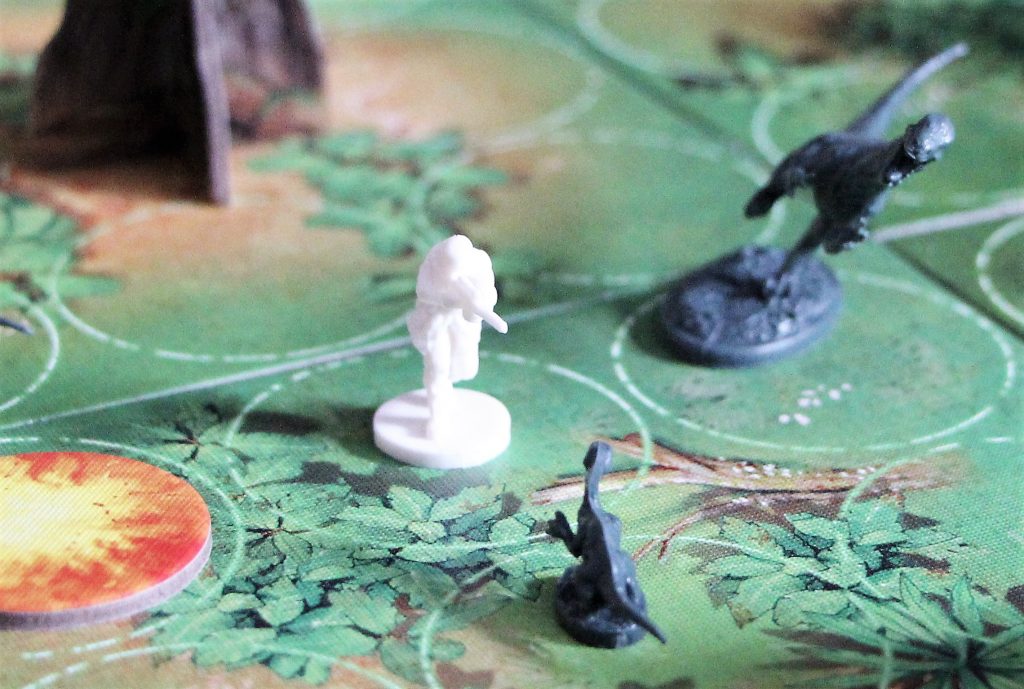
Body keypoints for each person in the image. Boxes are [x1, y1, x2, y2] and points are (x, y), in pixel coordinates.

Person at [406, 235, 507, 438]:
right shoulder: (433, 263)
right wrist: (455, 300)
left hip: (462, 324)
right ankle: (437, 415)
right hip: (436, 320)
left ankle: (445, 391)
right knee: (437, 365)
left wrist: (477, 303)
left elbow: (485, 297)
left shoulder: (479, 262)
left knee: (461, 363)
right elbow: (425, 293)